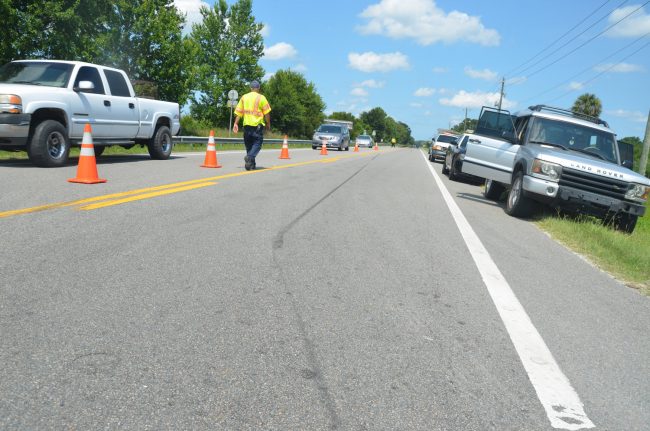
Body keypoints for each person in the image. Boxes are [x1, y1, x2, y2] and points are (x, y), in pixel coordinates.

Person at [232, 80, 271, 170]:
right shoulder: (261, 98)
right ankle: (249, 158)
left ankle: (250, 165)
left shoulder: (244, 97)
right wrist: (268, 124)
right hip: (257, 126)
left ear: (250, 88)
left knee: (249, 145)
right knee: (257, 143)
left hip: (246, 126)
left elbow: (239, 112)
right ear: (258, 88)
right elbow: (267, 113)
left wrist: (235, 123)